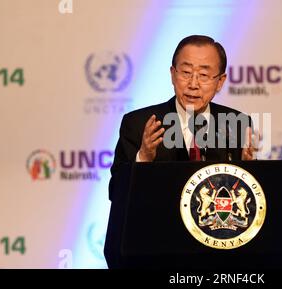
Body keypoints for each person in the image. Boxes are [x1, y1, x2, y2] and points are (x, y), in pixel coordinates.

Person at [104, 35, 256, 268]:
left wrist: (252, 170)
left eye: (204, 75)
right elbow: (117, 193)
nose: (193, 84)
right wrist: (143, 158)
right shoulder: (140, 123)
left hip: (219, 258)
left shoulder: (235, 124)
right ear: (173, 74)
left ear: (220, 81)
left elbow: (244, 207)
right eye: (186, 72)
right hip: (157, 252)